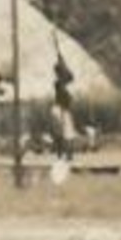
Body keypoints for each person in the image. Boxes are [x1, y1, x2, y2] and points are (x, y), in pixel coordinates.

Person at [48, 54, 76, 183]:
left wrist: (62, 60)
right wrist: (62, 62)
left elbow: (70, 76)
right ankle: (63, 155)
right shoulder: (58, 83)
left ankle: (65, 155)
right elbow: (69, 76)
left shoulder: (62, 82)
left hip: (63, 110)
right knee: (63, 134)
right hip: (60, 109)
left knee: (66, 134)